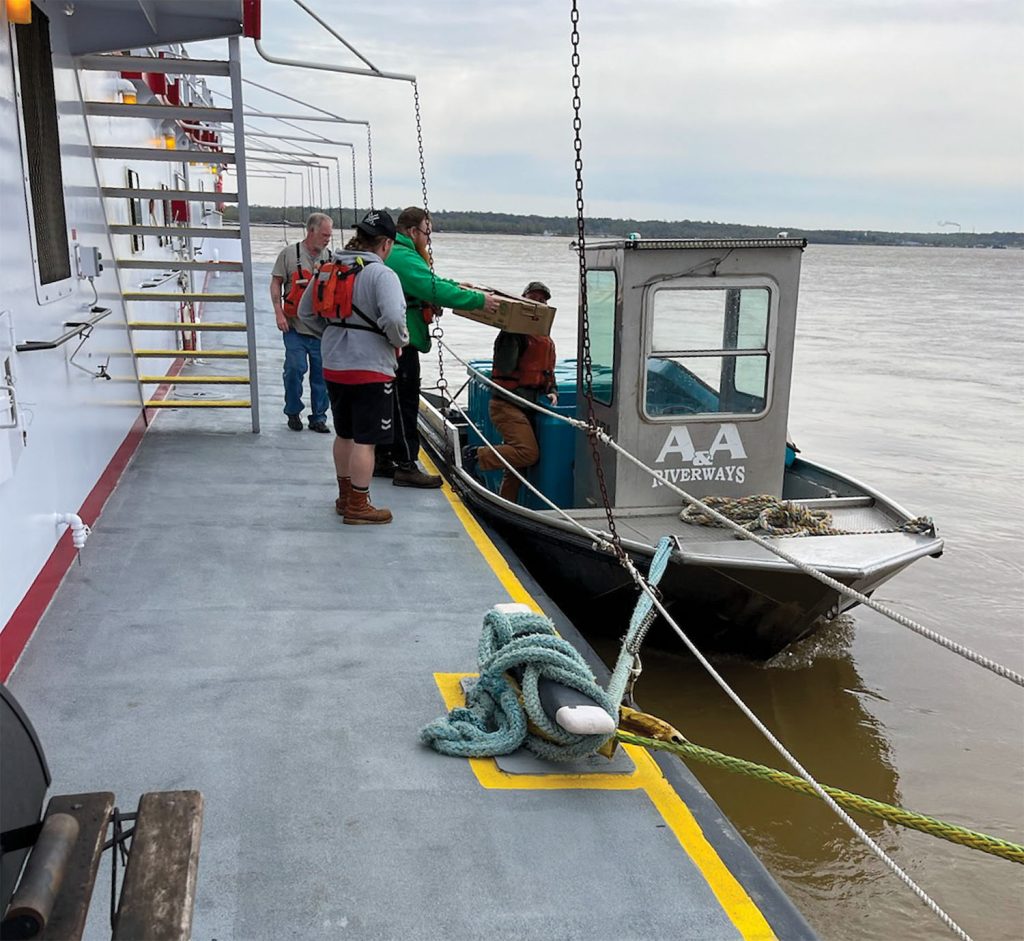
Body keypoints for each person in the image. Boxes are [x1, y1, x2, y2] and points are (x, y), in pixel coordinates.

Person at [297, 210, 409, 525]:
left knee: (344, 432)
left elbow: (306, 313)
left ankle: (345, 496)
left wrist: (333, 335)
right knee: (366, 440)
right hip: (371, 367)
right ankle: (359, 505)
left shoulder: (330, 267)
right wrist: (399, 340)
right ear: (386, 243)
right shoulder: (382, 275)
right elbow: (394, 319)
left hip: (334, 364)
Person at [376, 207, 500, 487]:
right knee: (404, 404)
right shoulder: (403, 257)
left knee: (391, 404)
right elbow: (433, 289)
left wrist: (460, 286)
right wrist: (479, 301)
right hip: (400, 345)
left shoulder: (400, 254)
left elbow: (432, 282)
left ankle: (383, 457)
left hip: (393, 342)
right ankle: (406, 464)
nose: (428, 240)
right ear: (412, 232)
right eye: (427, 233)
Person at [464, 282, 557, 502]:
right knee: (527, 452)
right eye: (533, 298)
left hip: (528, 405)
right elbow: (505, 366)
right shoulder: (511, 334)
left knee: (517, 466)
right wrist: (514, 331)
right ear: (523, 300)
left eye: (542, 300)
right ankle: (475, 456)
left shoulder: (544, 337)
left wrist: (552, 389)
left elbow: (547, 371)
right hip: (507, 404)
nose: (538, 303)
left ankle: (506, 503)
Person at [270, 212, 333, 433]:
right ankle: (293, 412)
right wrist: (279, 312)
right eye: (324, 234)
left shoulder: (331, 259)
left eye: (330, 235)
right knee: (295, 369)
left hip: (321, 331)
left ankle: (318, 417)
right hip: (294, 326)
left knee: (321, 375)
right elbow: (276, 283)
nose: (327, 239)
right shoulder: (288, 255)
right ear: (311, 231)